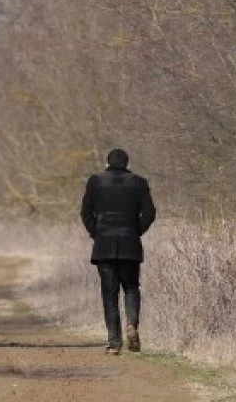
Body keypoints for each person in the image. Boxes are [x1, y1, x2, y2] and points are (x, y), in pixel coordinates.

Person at [80, 148, 156, 355]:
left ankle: (114, 343)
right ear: (127, 163)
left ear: (108, 163)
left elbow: (85, 212)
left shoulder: (95, 181)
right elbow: (149, 212)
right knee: (131, 288)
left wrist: (96, 232)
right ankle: (132, 323)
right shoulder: (139, 182)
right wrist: (136, 230)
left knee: (109, 294)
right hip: (130, 244)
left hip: (104, 246)